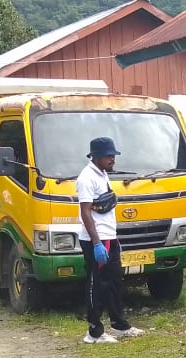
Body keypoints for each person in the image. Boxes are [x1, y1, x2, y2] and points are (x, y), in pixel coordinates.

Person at [76, 137, 144, 344]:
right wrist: (97, 243)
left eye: (113, 155)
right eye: (108, 155)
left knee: (114, 282)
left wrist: (112, 238)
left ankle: (119, 325)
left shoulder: (103, 174)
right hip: (96, 239)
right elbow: (85, 212)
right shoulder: (86, 178)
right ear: (96, 156)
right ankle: (94, 332)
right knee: (96, 284)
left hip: (109, 237)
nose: (112, 159)